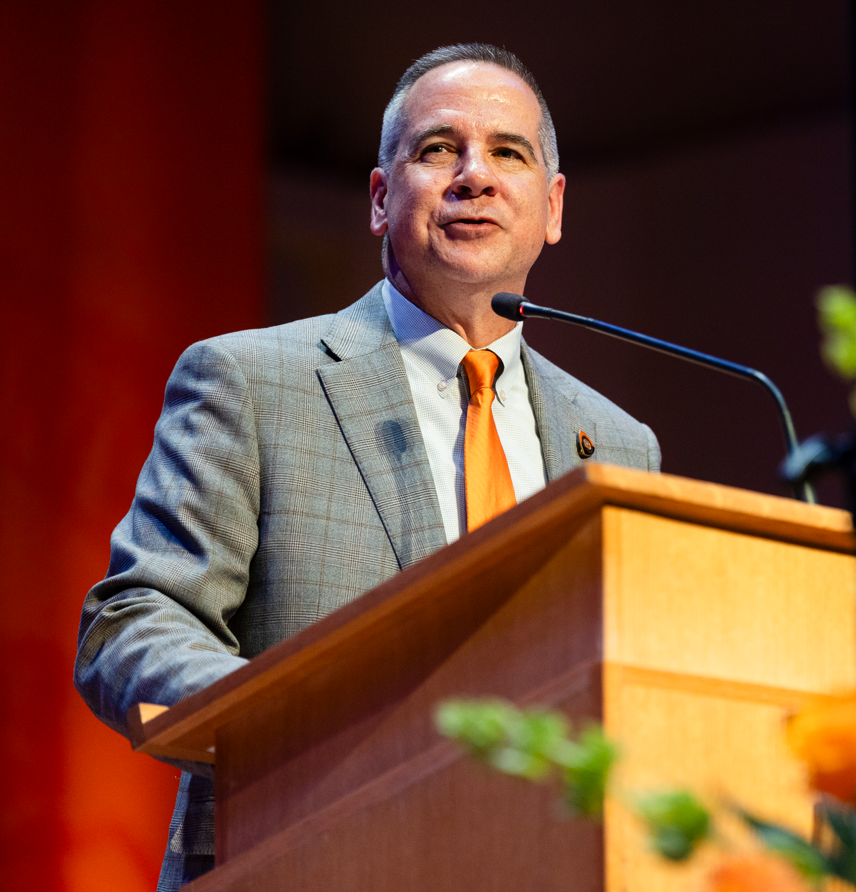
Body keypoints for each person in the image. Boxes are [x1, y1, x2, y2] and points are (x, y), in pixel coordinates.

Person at [73, 44, 659, 891]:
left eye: (508, 152)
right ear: (382, 199)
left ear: (552, 206)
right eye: (438, 149)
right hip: (299, 857)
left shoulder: (619, 444)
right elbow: (133, 620)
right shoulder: (251, 381)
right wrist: (287, 723)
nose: (474, 176)